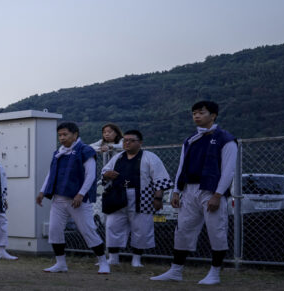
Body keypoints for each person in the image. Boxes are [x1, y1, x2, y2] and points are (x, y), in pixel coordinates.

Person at [151, 100, 237, 286]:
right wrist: (176, 190)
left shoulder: (226, 139)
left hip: (211, 190)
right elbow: (182, 165)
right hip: (189, 190)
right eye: (194, 113)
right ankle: (176, 270)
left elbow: (229, 170)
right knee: (183, 230)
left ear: (213, 115)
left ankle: (214, 273)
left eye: (201, 112)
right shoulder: (190, 140)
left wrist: (218, 194)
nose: (196, 116)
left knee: (217, 231)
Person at [37, 121, 110, 274]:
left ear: (75, 134)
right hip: (58, 198)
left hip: (78, 200)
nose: (62, 138)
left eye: (65, 134)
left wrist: (81, 193)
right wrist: (42, 191)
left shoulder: (85, 150)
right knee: (54, 230)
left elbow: (90, 175)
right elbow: (51, 174)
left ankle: (103, 262)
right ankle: (60, 263)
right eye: (60, 135)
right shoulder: (58, 152)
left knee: (88, 230)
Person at [101, 129, 172, 268]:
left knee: (141, 227)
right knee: (112, 226)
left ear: (140, 143)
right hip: (118, 196)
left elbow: (159, 178)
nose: (127, 143)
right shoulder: (118, 157)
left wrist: (158, 198)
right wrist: (107, 175)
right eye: (125, 140)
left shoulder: (150, 157)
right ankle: (113, 258)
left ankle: (136, 259)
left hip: (142, 196)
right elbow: (104, 172)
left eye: (131, 140)